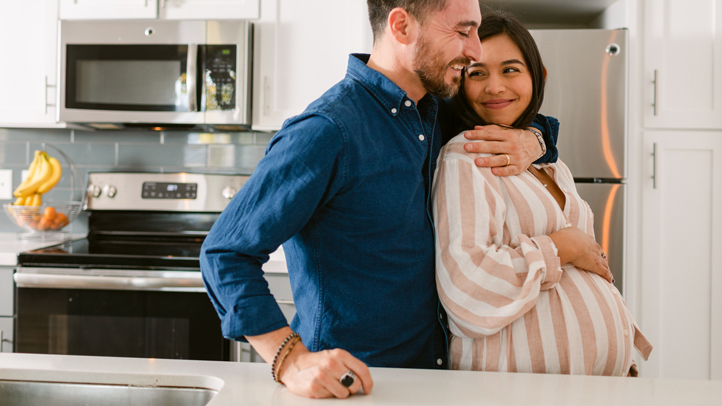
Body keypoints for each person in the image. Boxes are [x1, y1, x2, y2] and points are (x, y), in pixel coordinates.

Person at [200, 0, 555, 399]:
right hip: (353, 389)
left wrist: (534, 140)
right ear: (402, 27)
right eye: (461, 31)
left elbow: (520, 116)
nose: (474, 49)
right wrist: (290, 359)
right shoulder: (327, 131)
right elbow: (225, 252)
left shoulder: (435, 111)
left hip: (437, 382)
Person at [433, 10, 652, 376]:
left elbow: (587, 272)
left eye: (511, 69)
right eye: (477, 73)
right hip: (512, 389)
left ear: (538, 76)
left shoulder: (550, 163)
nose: (495, 86)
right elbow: (467, 290)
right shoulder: (467, 157)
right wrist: (563, 246)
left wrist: (622, 350)